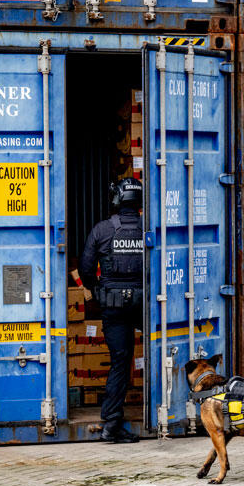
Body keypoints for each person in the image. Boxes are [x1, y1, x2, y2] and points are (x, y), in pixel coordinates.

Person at [79, 177, 144, 444]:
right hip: (146, 305)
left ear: (117, 198)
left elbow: (85, 269)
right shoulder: (149, 228)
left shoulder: (102, 230)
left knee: (120, 361)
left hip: (113, 306)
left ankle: (112, 424)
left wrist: (98, 290)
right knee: (161, 351)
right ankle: (168, 413)